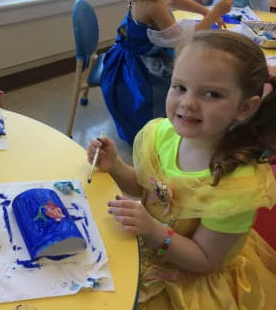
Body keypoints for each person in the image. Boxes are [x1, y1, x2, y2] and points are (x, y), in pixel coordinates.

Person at [88, 30, 276, 309]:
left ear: (245, 107)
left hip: (193, 284)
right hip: (149, 247)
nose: (187, 103)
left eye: (211, 94)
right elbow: (144, 188)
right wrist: (115, 165)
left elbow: (204, 259)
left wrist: (152, 229)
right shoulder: (162, 135)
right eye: (179, 87)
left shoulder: (236, 186)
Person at [101, 0, 233, 144]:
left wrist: (204, 10)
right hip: (140, 68)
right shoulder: (152, 3)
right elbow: (183, 37)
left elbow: (172, 0)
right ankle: (153, 140)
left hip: (133, 55)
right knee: (158, 103)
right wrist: (216, 12)